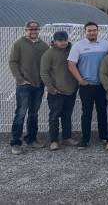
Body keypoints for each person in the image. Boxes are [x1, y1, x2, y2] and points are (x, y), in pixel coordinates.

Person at [68, 21, 108, 150]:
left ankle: (104, 136)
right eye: (89, 30)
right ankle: (85, 139)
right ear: (85, 32)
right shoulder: (78, 46)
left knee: (102, 111)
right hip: (86, 86)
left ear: (98, 31)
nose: (92, 32)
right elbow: (71, 64)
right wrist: (80, 80)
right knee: (86, 113)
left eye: (94, 30)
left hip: (102, 85)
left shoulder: (105, 45)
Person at [8, 20, 49, 154]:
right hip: (24, 86)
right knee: (20, 114)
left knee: (33, 114)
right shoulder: (18, 44)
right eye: (30, 29)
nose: (33, 31)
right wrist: (20, 79)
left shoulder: (43, 46)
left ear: (39, 30)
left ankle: (31, 139)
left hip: (38, 85)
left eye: (36, 29)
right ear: (26, 30)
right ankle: (15, 143)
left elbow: (47, 65)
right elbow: (13, 62)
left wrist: (45, 81)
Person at [40, 31, 79, 151]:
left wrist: (75, 86)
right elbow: (44, 72)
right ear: (54, 41)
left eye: (65, 40)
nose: (63, 42)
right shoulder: (49, 54)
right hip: (56, 92)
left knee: (67, 116)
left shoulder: (72, 51)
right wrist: (51, 88)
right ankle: (54, 140)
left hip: (70, 90)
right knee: (54, 117)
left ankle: (67, 138)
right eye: (60, 40)